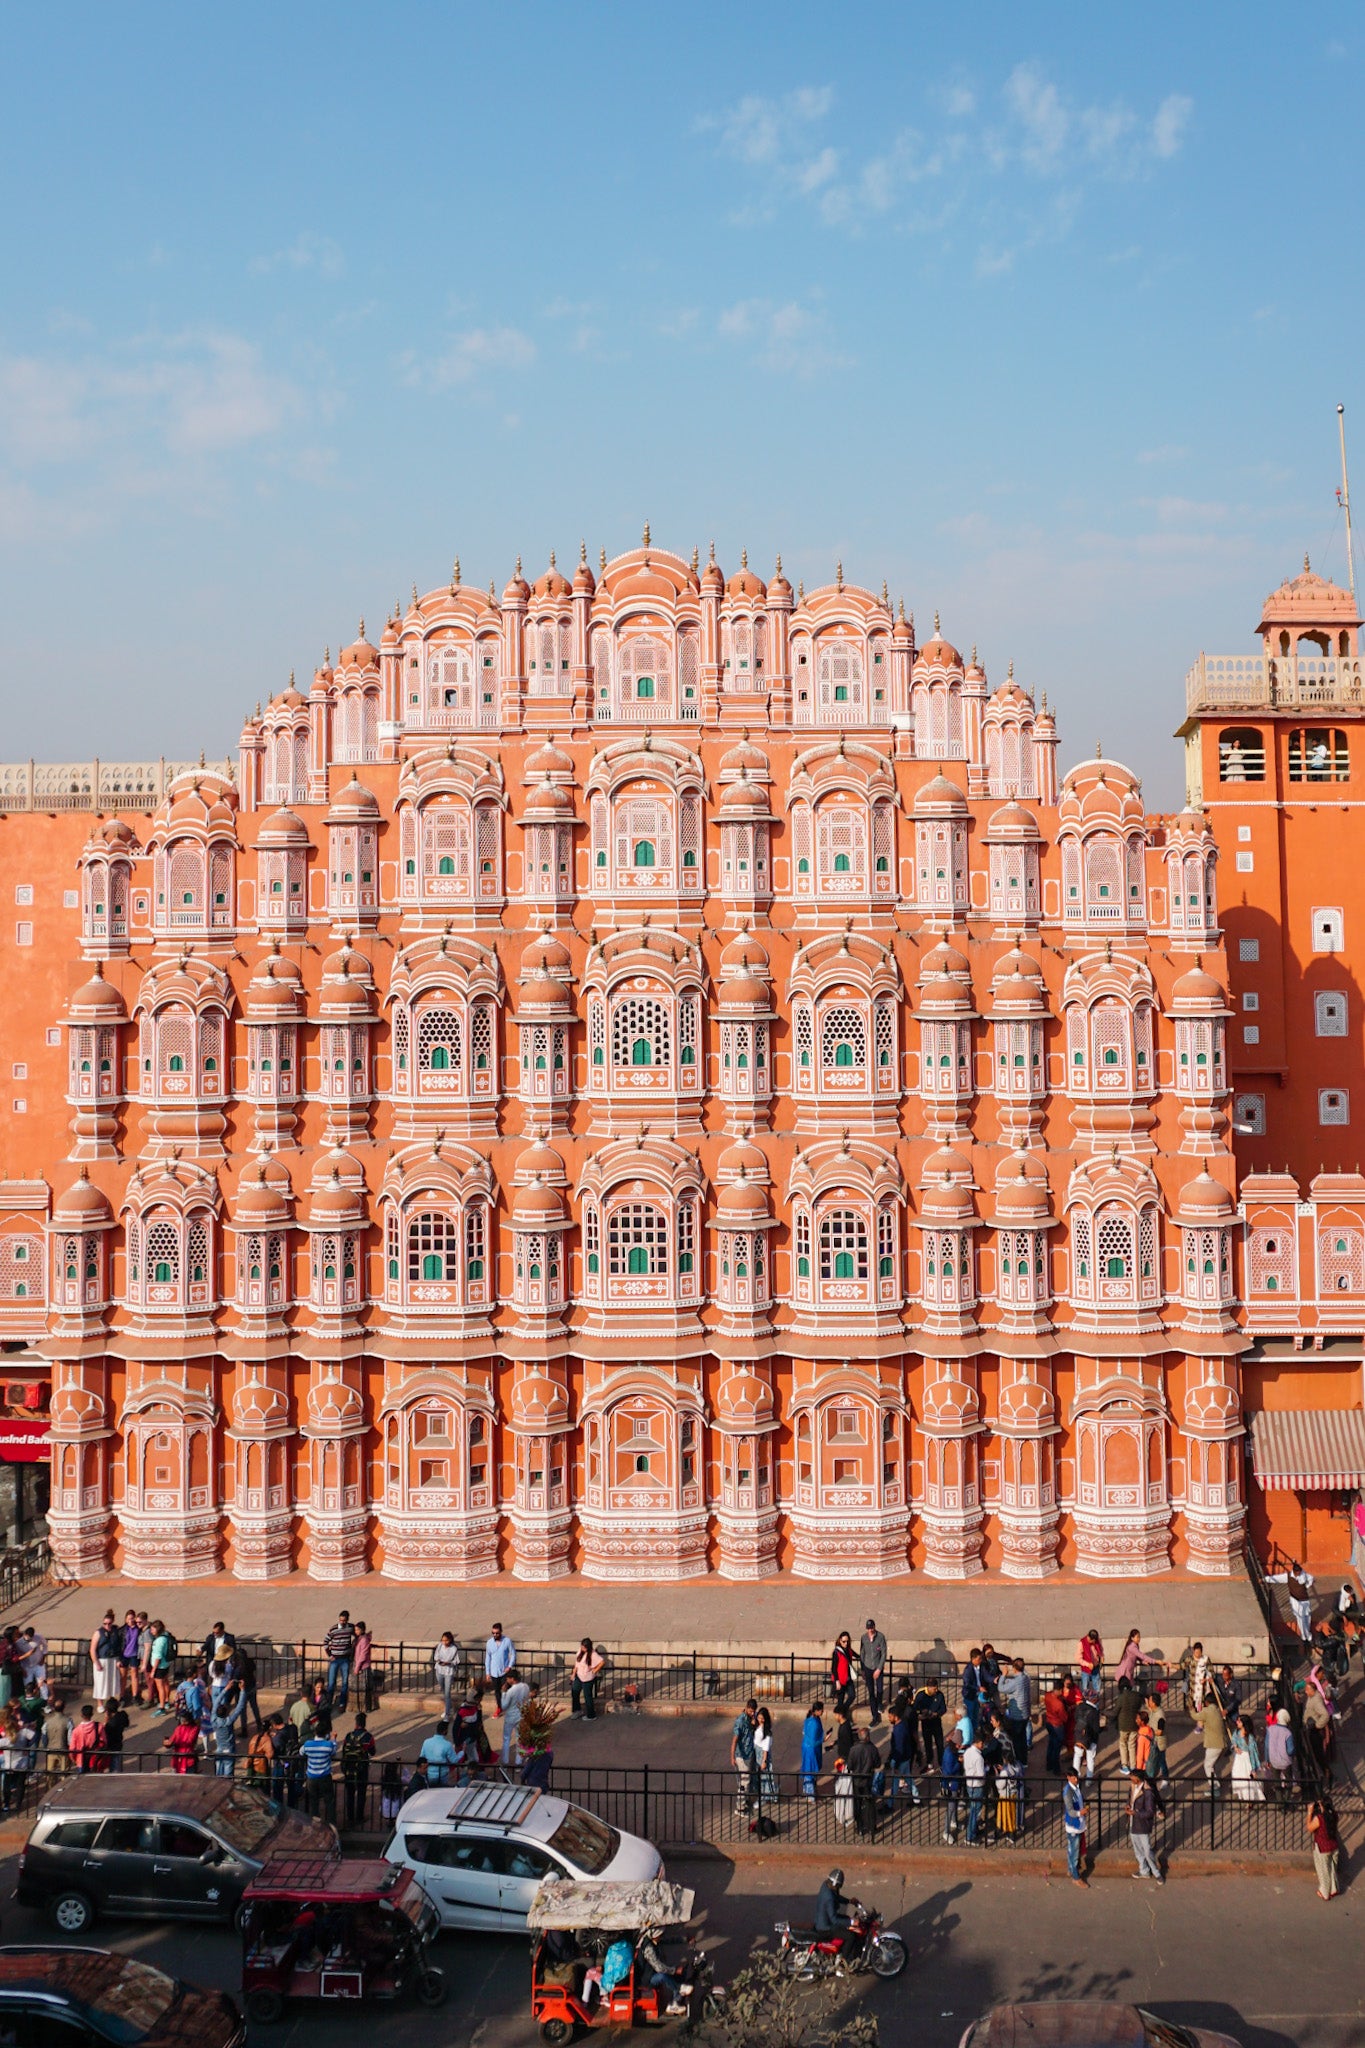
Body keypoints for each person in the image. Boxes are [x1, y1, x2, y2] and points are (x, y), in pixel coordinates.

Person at [636, 1925, 685, 2015]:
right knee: (663, 1976)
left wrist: (684, 1939)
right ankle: (676, 1999)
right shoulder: (648, 1948)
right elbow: (659, 1968)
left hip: (651, 1973)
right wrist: (674, 1970)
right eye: (660, 1935)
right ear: (655, 1935)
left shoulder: (654, 1941)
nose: (661, 1936)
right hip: (647, 1979)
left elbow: (668, 1940)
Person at [1127, 1768, 1164, 1881]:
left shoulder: (1147, 1791)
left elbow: (1149, 1811)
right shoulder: (1133, 1787)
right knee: (1138, 1850)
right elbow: (1130, 1800)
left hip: (1142, 1824)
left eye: (1132, 1777)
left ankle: (1156, 1873)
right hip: (1133, 1822)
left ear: (1137, 1778)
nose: (1130, 1779)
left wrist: (1135, 1813)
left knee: (1147, 1851)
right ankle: (1144, 1870)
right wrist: (1128, 1806)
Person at [341, 1713, 377, 1829]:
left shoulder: (348, 1736)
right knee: (361, 1792)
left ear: (355, 1723)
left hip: (348, 1768)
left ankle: (350, 1817)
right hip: (362, 1768)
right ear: (364, 1723)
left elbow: (344, 1752)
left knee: (350, 1793)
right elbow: (372, 1752)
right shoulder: (368, 1737)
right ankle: (359, 1817)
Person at [301, 1716, 338, 1823]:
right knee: (329, 1802)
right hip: (325, 1777)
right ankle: (331, 1824)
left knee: (314, 1802)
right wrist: (333, 1739)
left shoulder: (308, 1744)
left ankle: (315, 1824)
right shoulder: (328, 1745)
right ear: (326, 1733)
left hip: (312, 1777)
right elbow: (334, 1752)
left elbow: (301, 1752)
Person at [1268, 1562, 1316, 1643]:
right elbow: (1277, 1578)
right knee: (1300, 1618)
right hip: (1295, 1600)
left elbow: (1311, 1578)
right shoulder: (1288, 1576)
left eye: (1299, 1573)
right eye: (1297, 1573)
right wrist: (1265, 1579)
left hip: (1304, 1599)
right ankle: (1305, 1636)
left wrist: (1307, 1585)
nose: (1298, 1574)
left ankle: (1307, 1635)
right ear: (1294, 1571)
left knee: (1307, 1616)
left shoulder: (1304, 1575)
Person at [847, 1723, 879, 1839]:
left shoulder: (853, 1750)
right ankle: (872, 1827)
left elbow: (849, 1766)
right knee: (870, 1803)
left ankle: (860, 1827)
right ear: (867, 1737)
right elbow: (877, 1763)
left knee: (858, 1804)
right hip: (868, 1780)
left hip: (856, 1780)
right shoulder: (872, 1749)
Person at [1306, 1796, 1341, 1901]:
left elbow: (1309, 1828)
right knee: (1332, 1869)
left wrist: (1309, 1813)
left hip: (1323, 1847)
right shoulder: (1334, 1815)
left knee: (1323, 1871)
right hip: (1334, 1846)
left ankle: (1325, 1892)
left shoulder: (1319, 1819)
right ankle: (1334, 1888)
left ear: (1322, 1806)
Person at [886, 1704, 921, 1806]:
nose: (889, 1718)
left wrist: (896, 1764)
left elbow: (899, 1748)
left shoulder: (898, 1730)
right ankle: (916, 1798)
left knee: (895, 1782)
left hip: (900, 1759)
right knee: (909, 1779)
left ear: (895, 1716)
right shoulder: (903, 1725)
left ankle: (890, 1804)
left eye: (890, 1716)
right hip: (906, 1757)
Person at [998, 1658, 1031, 1765]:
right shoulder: (1026, 1678)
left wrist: (1003, 1675)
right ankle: (1024, 1761)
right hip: (1025, 1713)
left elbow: (1001, 1688)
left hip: (1017, 1715)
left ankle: (1019, 1761)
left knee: (1017, 1740)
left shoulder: (1016, 1681)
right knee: (1022, 1738)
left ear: (1014, 1668)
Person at [323, 1611, 356, 1713]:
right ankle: (328, 1703)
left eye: (344, 1620)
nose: (342, 1622)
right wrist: (330, 1655)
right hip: (335, 1659)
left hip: (345, 1659)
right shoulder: (333, 1629)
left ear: (347, 1620)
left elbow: (357, 1635)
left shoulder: (350, 1627)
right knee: (331, 1682)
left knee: (345, 1682)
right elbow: (325, 1642)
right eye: (341, 1620)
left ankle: (342, 1703)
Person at [913, 1676, 947, 1773]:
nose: (936, 1690)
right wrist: (921, 1715)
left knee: (940, 1744)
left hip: (936, 1723)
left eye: (936, 1688)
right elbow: (915, 1709)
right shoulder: (920, 1695)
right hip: (926, 1723)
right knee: (928, 1744)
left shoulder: (940, 1695)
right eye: (934, 1688)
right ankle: (929, 1763)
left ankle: (941, 1764)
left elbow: (943, 1709)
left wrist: (936, 1714)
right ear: (928, 1687)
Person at [729, 1699, 757, 1815]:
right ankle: (740, 1807)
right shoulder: (740, 1721)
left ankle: (744, 1801)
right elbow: (735, 1740)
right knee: (744, 1781)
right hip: (742, 1755)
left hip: (748, 1753)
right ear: (746, 1708)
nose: (752, 1713)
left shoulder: (751, 1718)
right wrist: (732, 1757)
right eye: (750, 1711)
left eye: (753, 1711)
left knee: (747, 1779)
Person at [814, 1867, 854, 1943]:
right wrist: (851, 1922)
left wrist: (849, 1901)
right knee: (850, 1936)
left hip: (822, 1921)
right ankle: (845, 1955)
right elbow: (834, 1920)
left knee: (847, 1918)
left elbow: (836, 1897)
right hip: (825, 1928)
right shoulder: (829, 1897)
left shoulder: (826, 1885)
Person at [1230, 1714, 1265, 1802]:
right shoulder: (1237, 1732)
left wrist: (1254, 1768)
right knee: (1237, 1774)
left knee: (1248, 1779)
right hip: (1239, 1758)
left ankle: (1250, 1799)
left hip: (1247, 1759)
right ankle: (1242, 1794)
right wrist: (1235, 1747)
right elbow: (1233, 1739)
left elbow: (1253, 1754)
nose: (1237, 1722)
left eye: (1239, 1721)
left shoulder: (1250, 1738)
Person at [1062, 1765, 1088, 1885]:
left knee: (1072, 1849)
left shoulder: (1076, 1788)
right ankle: (1076, 1877)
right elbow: (1070, 1810)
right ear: (1068, 1778)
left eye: (1076, 1777)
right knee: (1074, 1852)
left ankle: (1071, 1869)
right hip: (1074, 1824)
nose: (1076, 1780)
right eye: (1073, 1778)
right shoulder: (1068, 1792)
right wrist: (1080, 1812)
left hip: (1079, 1822)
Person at [859, 1620, 888, 1724]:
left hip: (877, 1666)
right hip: (867, 1667)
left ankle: (879, 1703)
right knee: (871, 1692)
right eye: (868, 1628)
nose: (870, 1630)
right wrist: (862, 1669)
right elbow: (862, 1654)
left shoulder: (880, 1637)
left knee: (879, 1688)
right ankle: (874, 1716)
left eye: (871, 1628)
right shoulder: (863, 1638)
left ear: (874, 1627)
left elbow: (884, 1653)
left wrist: (879, 1668)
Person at [1198, 1691, 1228, 1790]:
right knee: (1212, 1764)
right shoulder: (1217, 1711)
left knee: (1208, 1765)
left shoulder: (1209, 1713)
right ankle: (1215, 1782)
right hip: (1219, 1742)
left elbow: (1198, 1721)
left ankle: (1215, 1786)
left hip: (1214, 1744)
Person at [963, 1733, 988, 1845]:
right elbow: (981, 1774)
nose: (983, 1745)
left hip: (969, 1784)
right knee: (975, 1812)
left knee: (973, 1809)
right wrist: (987, 1769)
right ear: (978, 1743)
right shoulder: (979, 1757)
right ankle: (970, 1837)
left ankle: (974, 1831)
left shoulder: (967, 1752)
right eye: (982, 1743)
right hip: (977, 1785)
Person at [90, 1611, 120, 1705]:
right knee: (100, 1682)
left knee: (112, 1681)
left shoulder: (115, 1631)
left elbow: (118, 1646)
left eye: (109, 1623)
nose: (107, 1625)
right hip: (102, 1660)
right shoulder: (98, 1632)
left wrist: (118, 1659)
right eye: (105, 1623)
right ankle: (100, 1703)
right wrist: (96, 1663)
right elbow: (92, 1649)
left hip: (113, 1659)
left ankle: (111, 1701)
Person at [1265, 1707, 1296, 1798]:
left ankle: (1280, 1802)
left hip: (1273, 1760)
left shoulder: (1270, 1729)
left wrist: (1267, 1760)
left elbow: (1267, 1746)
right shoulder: (1288, 1733)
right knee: (1289, 1781)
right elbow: (1290, 1750)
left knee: (1277, 1781)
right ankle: (1287, 1799)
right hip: (1285, 1762)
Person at [484, 1622, 516, 1710]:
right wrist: (488, 1672)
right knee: (497, 1692)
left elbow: (513, 1654)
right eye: (493, 1633)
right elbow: (488, 1658)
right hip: (494, 1672)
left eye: (497, 1633)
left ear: (501, 1632)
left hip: (504, 1671)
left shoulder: (507, 1641)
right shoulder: (489, 1643)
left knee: (506, 1688)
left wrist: (509, 1666)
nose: (495, 1635)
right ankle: (499, 1707)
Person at [419, 1719, 461, 1786]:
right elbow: (454, 1760)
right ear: (445, 1731)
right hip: (442, 1775)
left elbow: (421, 1757)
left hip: (430, 1774)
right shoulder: (447, 1744)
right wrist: (462, 1753)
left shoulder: (426, 1742)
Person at [939, 1732, 965, 1842]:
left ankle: (954, 1821)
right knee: (951, 1807)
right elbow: (949, 1771)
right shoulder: (949, 1754)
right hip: (950, 1784)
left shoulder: (951, 1750)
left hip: (954, 1782)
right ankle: (946, 1831)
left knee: (954, 1803)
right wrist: (959, 1763)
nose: (960, 1746)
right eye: (959, 1744)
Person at [1041, 1679, 1070, 1775]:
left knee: (1051, 1744)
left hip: (1049, 1722)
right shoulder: (1059, 1704)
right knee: (1056, 1748)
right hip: (1057, 1725)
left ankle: (1049, 1764)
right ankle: (1056, 1769)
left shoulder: (1047, 1695)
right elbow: (1064, 1718)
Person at [571, 1639, 605, 1719]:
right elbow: (576, 1664)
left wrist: (595, 1670)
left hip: (588, 1678)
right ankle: (577, 1710)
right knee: (575, 1692)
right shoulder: (580, 1651)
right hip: (579, 1676)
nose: (582, 1648)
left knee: (587, 1696)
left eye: (584, 1647)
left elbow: (602, 1662)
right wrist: (573, 1673)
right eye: (581, 1646)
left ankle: (591, 1715)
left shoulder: (593, 1654)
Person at [500, 1676, 531, 1764]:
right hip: (521, 1716)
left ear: (512, 1679)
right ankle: (518, 1762)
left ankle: (505, 1762)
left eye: (508, 1679)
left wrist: (503, 1693)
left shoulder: (511, 1691)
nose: (507, 1680)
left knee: (506, 1739)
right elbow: (527, 1701)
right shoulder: (525, 1687)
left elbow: (504, 1706)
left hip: (510, 1717)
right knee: (520, 1739)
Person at [800, 1699, 826, 1799]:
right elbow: (813, 1741)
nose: (822, 1712)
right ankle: (810, 1795)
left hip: (807, 1748)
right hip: (811, 1749)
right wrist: (823, 1739)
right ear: (817, 1711)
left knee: (808, 1768)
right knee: (810, 1770)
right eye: (821, 1710)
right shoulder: (814, 1723)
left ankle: (806, 1790)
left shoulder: (810, 1719)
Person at [1071, 1692, 1100, 1780]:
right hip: (1090, 1737)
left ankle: (1076, 1776)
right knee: (1090, 1758)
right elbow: (1096, 1729)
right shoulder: (1094, 1712)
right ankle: (1089, 1779)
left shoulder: (1079, 1707)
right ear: (1093, 1700)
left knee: (1077, 1755)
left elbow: (1076, 1718)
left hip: (1078, 1734)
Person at [1115, 1680, 1141, 1773]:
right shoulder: (1136, 1695)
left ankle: (1125, 1765)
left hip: (1123, 1725)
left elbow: (1116, 1711)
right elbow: (1139, 1706)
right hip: (1134, 1724)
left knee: (1123, 1744)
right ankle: (1133, 1766)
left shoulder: (1121, 1697)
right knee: (1132, 1745)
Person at [754, 1704, 777, 1808]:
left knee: (764, 1776)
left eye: (762, 1718)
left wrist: (764, 1761)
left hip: (762, 1755)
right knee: (760, 1776)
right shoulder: (758, 1726)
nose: (760, 1720)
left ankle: (764, 1796)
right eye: (759, 1717)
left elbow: (765, 1748)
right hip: (757, 1752)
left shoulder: (766, 1732)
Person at [434, 1633, 462, 1718]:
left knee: (447, 1692)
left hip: (448, 1671)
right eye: (443, 1640)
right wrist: (439, 1660)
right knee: (443, 1689)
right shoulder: (440, 1646)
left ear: (450, 1640)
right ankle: (450, 1707)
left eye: (446, 1640)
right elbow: (436, 1656)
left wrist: (448, 1663)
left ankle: (447, 1713)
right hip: (439, 1669)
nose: (444, 1642)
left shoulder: (453, 1648)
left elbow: (456, 1661)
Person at [42, 1694, 71, 1774]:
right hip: (63, 1749)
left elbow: (44, 1736)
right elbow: (70, 1738)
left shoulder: (47, 1721)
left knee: (50, 1773)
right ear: (64, 1708)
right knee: (64, 1775)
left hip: (51, 1749)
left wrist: (46, 1747)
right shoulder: (68, 1721)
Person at [69, 1703, 103, 1772]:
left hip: (81, 1759)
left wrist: (74, 1759)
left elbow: (72, 1748)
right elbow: (103, 1742)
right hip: (95, 1759)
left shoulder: (76, 1731)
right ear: (92, 1714)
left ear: (81, 1715)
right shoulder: (99, 1726)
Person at [829, 1632, 856, 1716]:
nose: (846, 1643)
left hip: (848, 1678)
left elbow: (857, 1655)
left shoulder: (849, 1650)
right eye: (844, 1641)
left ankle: (843, 1710)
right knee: (840, 1699)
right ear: (840, 1641)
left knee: (852, 1695)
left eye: (847, 1641)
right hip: (840, 1680)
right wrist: (837, 1681)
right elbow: (833, 1668)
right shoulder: (837, 1652)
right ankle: (842, 1715)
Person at [352, 1622, 375, 1714]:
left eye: (357, 1629)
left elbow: (363, 1655)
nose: (356, 1631)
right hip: (358, 1664)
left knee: (364, 1688)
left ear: (362, 1630)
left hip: (363, 1666)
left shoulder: (364, 1640)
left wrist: (357, 1667)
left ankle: (366, 1707)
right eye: (355, 1630)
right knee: (359, 1688)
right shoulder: (359, 1639)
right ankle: (359, 1707)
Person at [1076, 1629, 1103, 1704]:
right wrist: (1088, 1664)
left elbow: (1100, 1649)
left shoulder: (1097, 1641)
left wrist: (1101, 1656)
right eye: (1093, 1641)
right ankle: (1086, 1706)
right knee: (1085, 1690)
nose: (1095, 1642)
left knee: (1097, 1689)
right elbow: (1078, 1659)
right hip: (1086, 1670)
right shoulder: (1081, 1643)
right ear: (1090, 1638)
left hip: (1096, 1668)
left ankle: (1096, 1706)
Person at [101, 1698, 128, 1773]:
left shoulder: (111, 1723)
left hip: (111, 1744)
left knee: (113, 1762)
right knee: (117, 1759)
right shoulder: (122, 1715)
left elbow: (104, 1731)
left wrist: (106, 1720)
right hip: (119, 1741)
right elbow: (126, 1723)